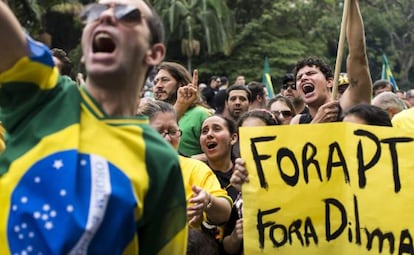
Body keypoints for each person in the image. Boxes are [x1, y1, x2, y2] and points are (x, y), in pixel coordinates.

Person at [0, 1, 187, 254]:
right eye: (96, 13)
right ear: (85, 49)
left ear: (153, 53)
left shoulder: (160, 161)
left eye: (127, 15)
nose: (107, 16)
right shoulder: (42, 98)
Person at [138, 100, 232, 229]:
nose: (167, 139)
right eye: (159, 132)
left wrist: (208, 200)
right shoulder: (127, 167)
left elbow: (224, 213)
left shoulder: (195, 168)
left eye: (172, 131)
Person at [291, 0, 372, 124]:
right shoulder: (297, 122)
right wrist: (317, 124)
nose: (303, 78)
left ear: (330, 82)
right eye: (299, 77)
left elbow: (358, 54)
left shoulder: (349, 106)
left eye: (311, 73)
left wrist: (352, 3)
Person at [152, 61, 212, 157]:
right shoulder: (152, 115)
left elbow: (221, 151)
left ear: (180, 84)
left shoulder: (201, 114)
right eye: (155, 82)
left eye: (165, 80)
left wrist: (189, 162)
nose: (158, 86)